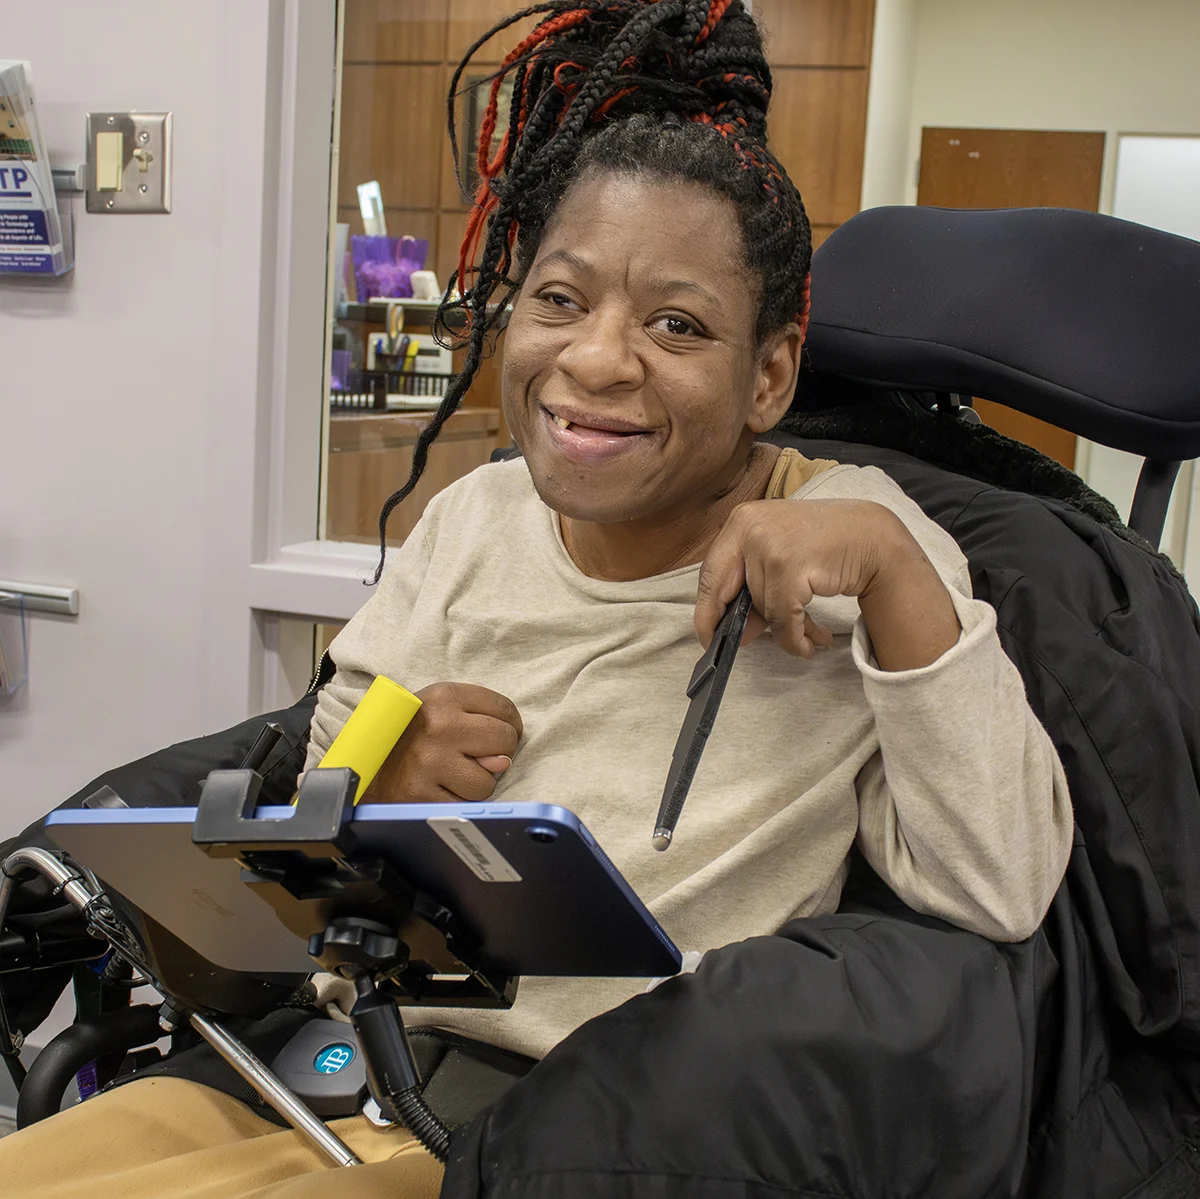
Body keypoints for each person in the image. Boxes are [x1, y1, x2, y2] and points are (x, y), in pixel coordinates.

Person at [0, 2, 1073, 1195]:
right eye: (560, 300)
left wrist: (891, 576)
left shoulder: (864, 540)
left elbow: (1000, 883)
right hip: (333, 1064)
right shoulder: (479, 512)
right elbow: (324, 751)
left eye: (676, 324)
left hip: (573, 1134)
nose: (597, 360)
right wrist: (382, 771)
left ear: (770, 372)